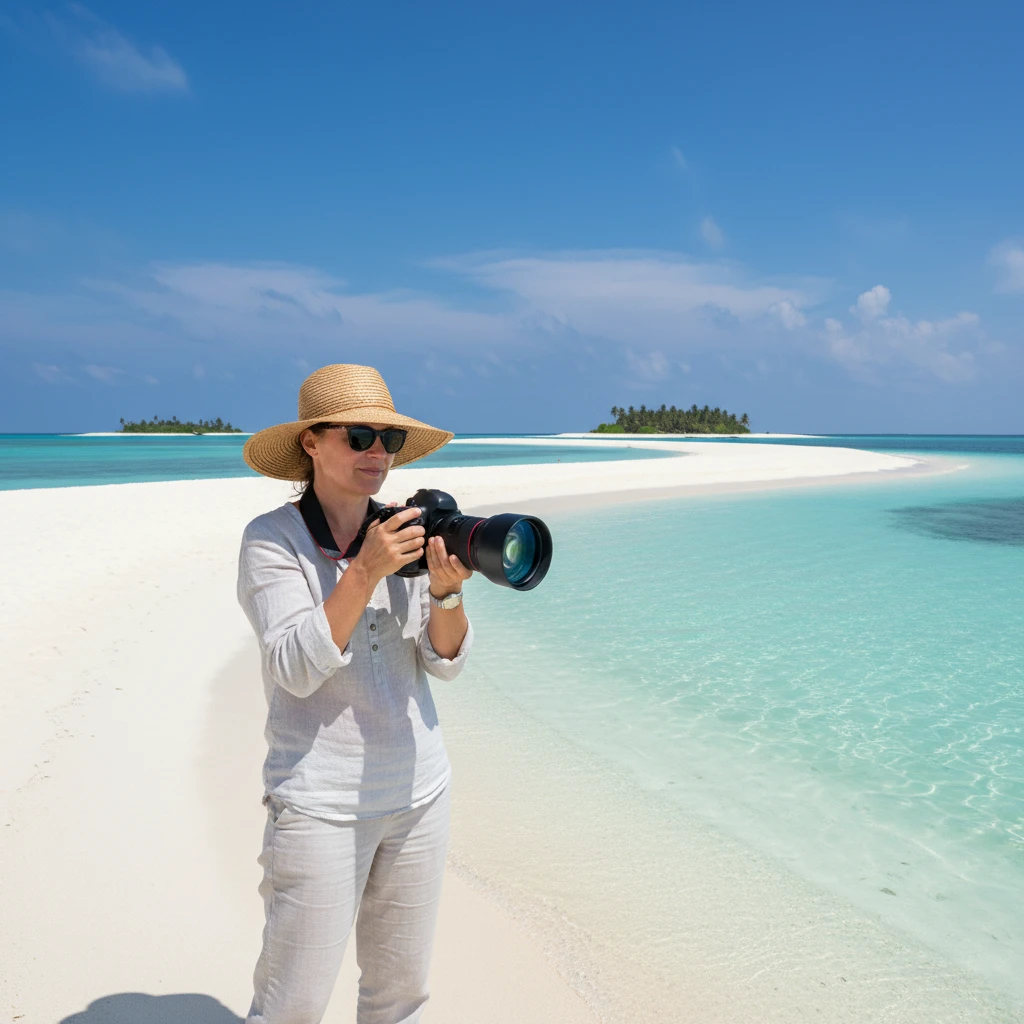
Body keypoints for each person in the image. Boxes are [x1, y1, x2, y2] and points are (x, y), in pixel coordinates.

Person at [236, 363, 473, 1024]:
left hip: (419, 794)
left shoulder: (406, 531)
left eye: (388, 441)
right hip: (319, 804)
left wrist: (447, 589)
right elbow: (295, 666)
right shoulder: (272, 542)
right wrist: (366, 568)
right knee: (292, 1006)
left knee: (400, 998)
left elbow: (443, 661)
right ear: (311, 443)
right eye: (360, 435)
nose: (377, 454)